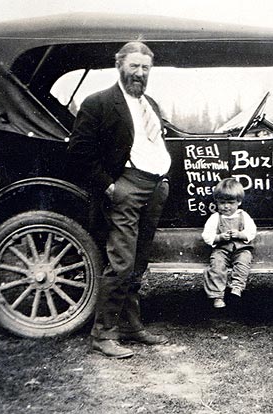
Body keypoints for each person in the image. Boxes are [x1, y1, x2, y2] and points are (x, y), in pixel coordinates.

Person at [67, 42, 171, 358]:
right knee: (121, 261)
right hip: (125, 187)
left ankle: (130, 326)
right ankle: (103, 333)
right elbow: (79, 153)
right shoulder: (98, 103)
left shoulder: (149, 103)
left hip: (154, 188)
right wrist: (111, 188)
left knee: (138, 261)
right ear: (119, 66)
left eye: (145, 68)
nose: (140, 73)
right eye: (134, 66)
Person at [202, 178, 257, 308]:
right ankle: (217, 295)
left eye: (230, 203)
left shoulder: (244, 216)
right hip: (222, 250)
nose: (226, 206)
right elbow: (207, 236)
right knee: (216, 265)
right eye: (222, 203)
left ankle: (236, 288)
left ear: (239, 202)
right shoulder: (215, 218)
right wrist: (219, 237)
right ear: (217, 202)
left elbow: (252, 231)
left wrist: (241, 235)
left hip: (241, 249)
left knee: (243, 262)